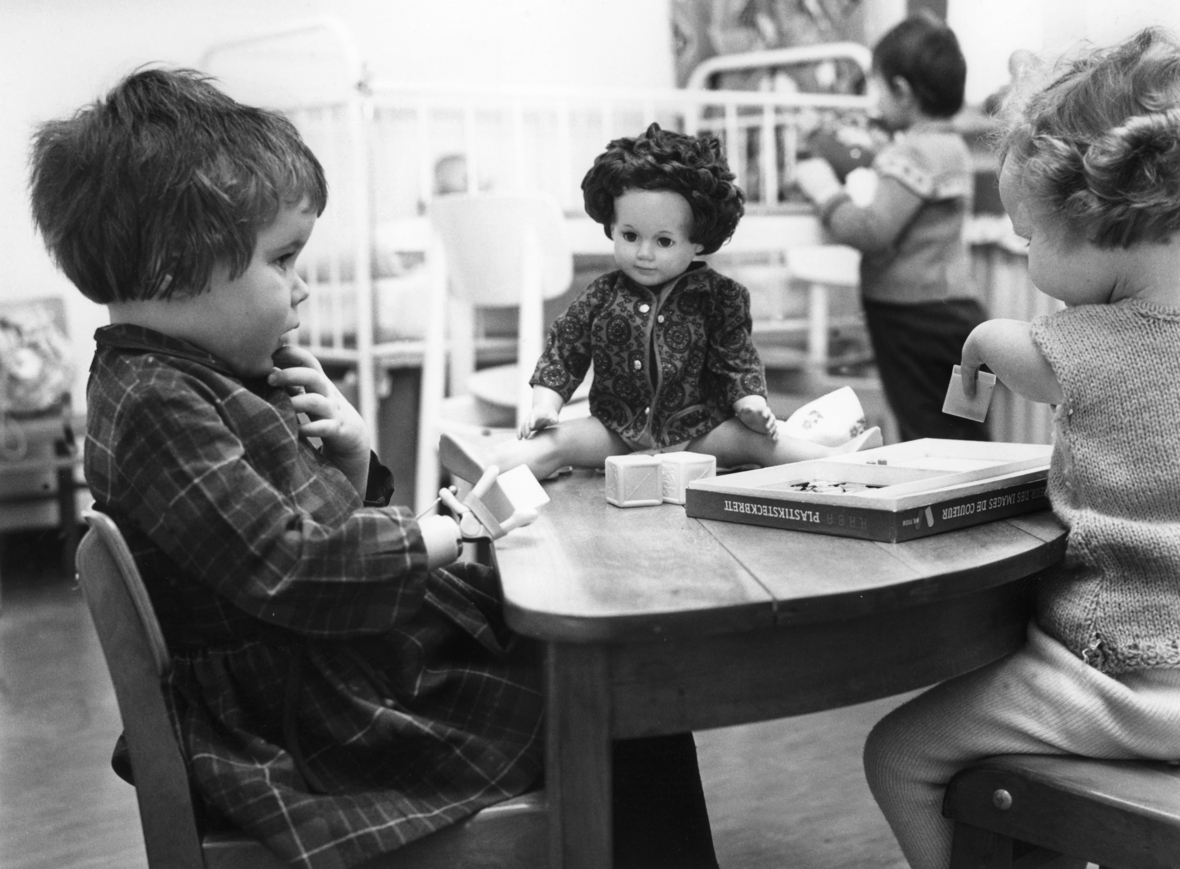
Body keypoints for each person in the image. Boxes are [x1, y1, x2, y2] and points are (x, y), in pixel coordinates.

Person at [29, 67, 719, 869]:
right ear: (175, 267)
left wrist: (354, 456)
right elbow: (289, 566)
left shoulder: (197, 376)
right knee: (621, 695)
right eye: (283, 260)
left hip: (337, 669)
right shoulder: (157, 403)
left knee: (616, 672)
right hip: (318, 720)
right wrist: (439, 532)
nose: (303, 287)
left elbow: (293, 522)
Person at [860, 28, 1180, 869]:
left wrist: (975, 349)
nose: (1024, 257)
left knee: (898, 753)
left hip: (1133, 686)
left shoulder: (1077, 346)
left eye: (1027, 237)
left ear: (1095, 220)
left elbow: (1001, 341)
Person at [484, 122, 880, 481]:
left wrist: (750, 401)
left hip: (699, 432)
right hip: (615, 431)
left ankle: (842, 461)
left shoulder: (721, 298)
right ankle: (494, 465)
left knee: (759, 442)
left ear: (698, 241)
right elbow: (564, 350)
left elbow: (735, 358)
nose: (643, 253)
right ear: (611, 227)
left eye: (664, 241)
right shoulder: (601, 297)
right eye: (630, 235)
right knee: (558, 440)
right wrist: (545, 404)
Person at [794, 12, 989, 442]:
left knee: (928, 431)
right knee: (965, 426)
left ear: (900, 90)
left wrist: (824, 189)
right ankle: (983, 498)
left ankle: (946, 502)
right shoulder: (950, 147)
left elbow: (869, 230)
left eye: (875, 85)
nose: (873, 98)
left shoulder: (914, 154)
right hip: (957, 317)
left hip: (912, 322)